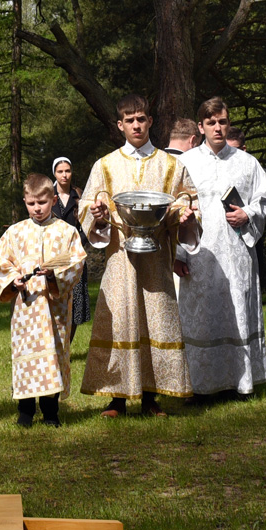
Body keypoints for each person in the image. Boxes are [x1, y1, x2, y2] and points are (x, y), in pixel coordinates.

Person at [80, 95, 199, 416]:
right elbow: (87, 208)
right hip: (120, 260)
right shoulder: (104, 166)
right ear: (120, 125)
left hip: (157, 260)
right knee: (120, 322)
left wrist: (185, 215)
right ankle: (117, 398)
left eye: (141, 119)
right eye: (129, 120)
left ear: (150, 122)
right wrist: (98, 214)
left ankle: (150, 397)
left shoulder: (172, 165)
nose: (136, 125)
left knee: (155, 321)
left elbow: (187, 201)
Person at [176, 97, 266, 397]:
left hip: (236, 255)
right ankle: (200, 386)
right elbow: (173, 208)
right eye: (211, 123)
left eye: (222, 122)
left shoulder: (248, 163)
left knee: (236, 313)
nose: (218, 128)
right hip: (199, 255)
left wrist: (249, 214)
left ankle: (240, 382)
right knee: (201, 317)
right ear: (201, 127)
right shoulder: (185, 163)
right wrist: (176, 254)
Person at [0, 173, 88, 427]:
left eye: (42, 203)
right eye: (31, 203)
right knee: (26, 357)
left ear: (53, 199)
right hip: (26, 309)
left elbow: (77, 261)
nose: (37, 209)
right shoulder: (15, 232)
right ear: (25, 201)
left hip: (54, 309)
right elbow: (0, 260)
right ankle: (25, 411)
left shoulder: (66, 231)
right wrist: (14, 280)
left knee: (53, 355)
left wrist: (55, 275)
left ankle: (50, 412)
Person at [52, 155, 91, 339]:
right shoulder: (47, 195)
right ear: (54, 173)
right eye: (60, 171)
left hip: (75, 257)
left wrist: (76, 245)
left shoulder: (80, 196)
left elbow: (87, 227)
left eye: (67, 171)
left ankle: (67, 344)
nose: (64, 175)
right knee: (55, 301)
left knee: (75, 305)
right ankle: (55, 342)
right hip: (52, 257)